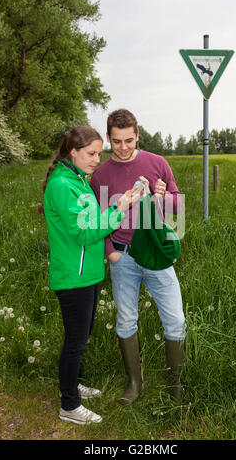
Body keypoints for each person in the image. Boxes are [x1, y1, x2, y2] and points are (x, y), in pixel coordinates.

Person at [39, 126, 141, 425]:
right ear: (73, 151)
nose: (97, 159)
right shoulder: (63, 185)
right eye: (91, 153)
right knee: (75, 342)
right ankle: (69, 405)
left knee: (80, 336)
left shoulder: (78, 180)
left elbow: (91, 220)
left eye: (99, 153)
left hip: (88, 272)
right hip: (73, 276)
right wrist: (119, 209)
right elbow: (84, 231)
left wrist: (116, 206)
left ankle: (74, 384)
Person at [90, 109, 187, 405]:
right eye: (116, 141)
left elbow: (177, 207)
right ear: (108, 138)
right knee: (126, 321)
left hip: (156, 255)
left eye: (128, 140)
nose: (123, 147)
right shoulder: (101, 175)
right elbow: (97, 218)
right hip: (124, 257)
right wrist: (110, 253)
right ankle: (134, 383)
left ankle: (176, 384)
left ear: (137, 135)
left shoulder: (157, 163)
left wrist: (163, 197)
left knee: (175, 319)